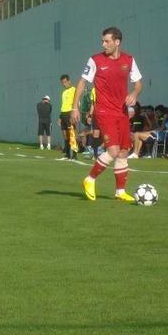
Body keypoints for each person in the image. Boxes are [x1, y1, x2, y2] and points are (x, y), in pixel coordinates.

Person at [71, 26, 142, 203]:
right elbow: (82, 83)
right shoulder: (95, 60)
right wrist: (75, 107)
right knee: (113, 149)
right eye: (102, 41)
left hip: (122, 112)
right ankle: (90, 179)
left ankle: (120, 191)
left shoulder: (129, 60)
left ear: (117, 42)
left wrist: (134, 93)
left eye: (107, 41)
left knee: (124, 151)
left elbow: (139, 83)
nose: (103, 44)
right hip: (104, 111)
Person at [58, 74, 77, 160]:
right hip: (63, 114)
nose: (64, 84)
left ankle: (75, 154)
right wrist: (60, 116)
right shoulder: (64, 92)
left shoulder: (74, 90)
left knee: (72, 133)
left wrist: (74, 113)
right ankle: (67, 154)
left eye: (65, 82)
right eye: (62, 83)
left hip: (70, 113)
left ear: (69, 81)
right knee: (65, 135)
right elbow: (63, 104)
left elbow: (76, 103)